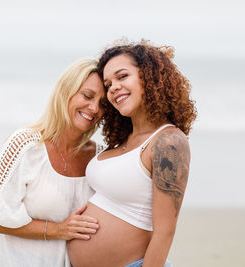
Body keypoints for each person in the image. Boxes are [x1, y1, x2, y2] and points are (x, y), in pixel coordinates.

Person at [67, 40, 197, 267]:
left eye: (122, 76)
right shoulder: (122, 141)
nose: (113, 87)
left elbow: (164, 233)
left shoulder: (168, 141)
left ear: (149, 76)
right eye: (108, 84)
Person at [0, 58, 105, 267]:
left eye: (103, 104)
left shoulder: (100, 158)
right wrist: (59, 230)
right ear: (66, 92)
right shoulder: (24, 145)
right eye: (87, 96)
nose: (95, 108)